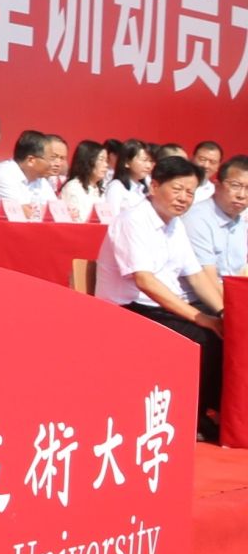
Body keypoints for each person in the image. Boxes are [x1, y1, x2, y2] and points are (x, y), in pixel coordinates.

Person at [96, 155, 225, 441]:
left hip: (161, 305)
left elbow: (196, 276)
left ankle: (218, 411)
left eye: (190, 192)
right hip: (128, 309)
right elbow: (145, 282)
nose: (184, 198)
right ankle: (192, 416)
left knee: (227, 331)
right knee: (203, 337)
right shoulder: (133, 220)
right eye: (177, 189)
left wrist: (222, 313)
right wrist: (201, 318)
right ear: (154, 186)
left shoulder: (175, 224)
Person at [185, 155, 248, 279]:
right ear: (217, 186)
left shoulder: (240, 222)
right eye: (235, 186)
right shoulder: (197, 219)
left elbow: (240, 272)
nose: (242, 195)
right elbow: (206, 279)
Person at [0, 130, 60, 218]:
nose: (52, 164)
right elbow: (24, 214)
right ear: (31, 160)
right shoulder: (4, 175)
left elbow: (56, 212)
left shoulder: (40, 179)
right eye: (50, 159)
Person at [101, 139, 154, 219]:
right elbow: (112, 219)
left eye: (150, 161)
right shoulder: (117, 187)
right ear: (127, 162)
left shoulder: (143, 189)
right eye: (144, 160)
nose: (148, 166)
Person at [60, 140, 110, 219]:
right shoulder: (74, 187)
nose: (106, 165)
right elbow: (77, 220)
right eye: (101, 159)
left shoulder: (98, 189)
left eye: (106, 161)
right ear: (87, 161)